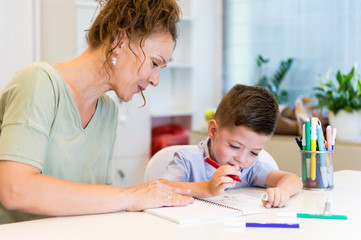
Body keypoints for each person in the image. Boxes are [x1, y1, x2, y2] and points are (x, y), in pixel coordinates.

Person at [0, 0, 193, 225]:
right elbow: (15, 189)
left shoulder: (107, 111)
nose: (155, 80)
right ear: (120, 41)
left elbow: (96, 200)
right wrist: (130, 196)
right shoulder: (38, 83)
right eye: (154, 63)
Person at [159, 84, 303, 208]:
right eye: (234, 146)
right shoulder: (188, 160)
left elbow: (293, 180)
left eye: (254, 153)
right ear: (213, 131)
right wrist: (207, 188)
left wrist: (283, 191)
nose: (242, 159)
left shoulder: (250, 170)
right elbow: (161, 187)